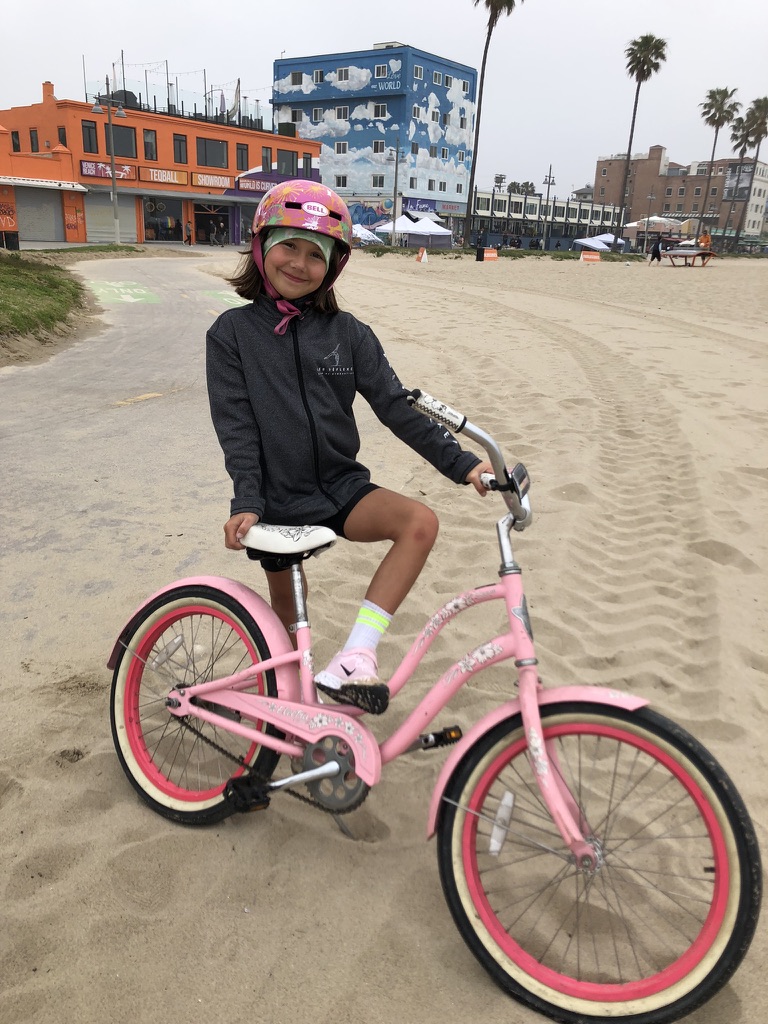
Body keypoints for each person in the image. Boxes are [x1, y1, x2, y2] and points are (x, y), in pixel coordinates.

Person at [206, 181, 492, 715]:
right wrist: (247, 498)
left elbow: (397, 406)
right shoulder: (231, 334)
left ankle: (356, 655)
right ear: (261, 247)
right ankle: (284, 704)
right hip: (275, 499)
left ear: (333, 266)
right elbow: (236, 427)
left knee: (419, 523)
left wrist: (465, 464)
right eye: (289, 246)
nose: (300, 263)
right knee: (287, 622)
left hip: (341, 488)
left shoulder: (349, 334)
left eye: (317, 254)